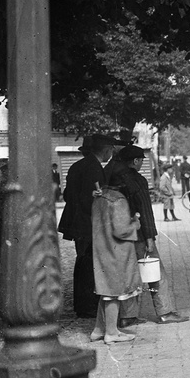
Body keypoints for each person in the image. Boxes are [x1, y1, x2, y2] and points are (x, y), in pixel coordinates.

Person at [106, 146, 187, 325]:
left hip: (117, 236)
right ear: (135, 161)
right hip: (139, 235)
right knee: (156, 273)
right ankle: (165, 312)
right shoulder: (136, 180)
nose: (142, 163)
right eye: (141, 160)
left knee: (129, 275)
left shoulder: (111, 177)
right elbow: (145, 210)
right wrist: (150, 237)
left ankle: (128, 317)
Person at [57, 133, 118, 318]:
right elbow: (90, 200)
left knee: (83, 262)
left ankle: (82, 304)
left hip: (77, 223)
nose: (111, 155)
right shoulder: (94, 168)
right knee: (88, 264)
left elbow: (68, 195)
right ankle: (87, 306)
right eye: (111, 151)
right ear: (106, 150)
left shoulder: (77, 166)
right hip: (88, 224)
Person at [90, 179, 142, 344]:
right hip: (116, 252)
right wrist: (135, 224)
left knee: (106, 289)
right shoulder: (118, 200)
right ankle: (111, 332)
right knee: (114, 292)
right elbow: (121, 230)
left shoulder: (100, 197)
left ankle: (98, 329)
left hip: (101, 248)